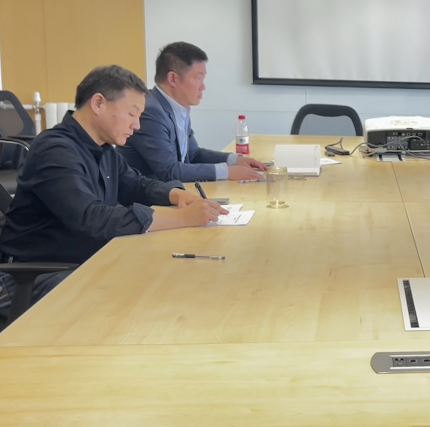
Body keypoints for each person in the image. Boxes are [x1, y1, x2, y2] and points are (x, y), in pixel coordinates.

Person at [0, 65, 228, 301]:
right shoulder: (54, 150)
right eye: (132, 114)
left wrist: (176, 194)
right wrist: (181, 218)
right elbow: (92, 218)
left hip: (85, 261)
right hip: (37, 276)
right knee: (150, 289)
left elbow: (134, 184)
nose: (137, 125)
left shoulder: (104, 149)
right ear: (98, 103)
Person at [120, 42, 266, 181]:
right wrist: (226, 171)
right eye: (198, 78)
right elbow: (169, 171)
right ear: (173, 79)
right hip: (148, 196)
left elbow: (194, 154)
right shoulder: (150, 111)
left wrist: (235, 160)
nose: (203, 87)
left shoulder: (178, 107)